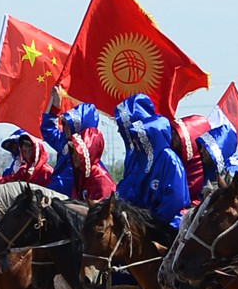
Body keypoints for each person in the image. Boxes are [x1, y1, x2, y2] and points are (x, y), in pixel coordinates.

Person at [113, 94, 191, 226]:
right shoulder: (141, 158)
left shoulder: (169, 159)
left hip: (168, 225)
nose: (119, 131)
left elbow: (174, 200)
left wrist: (151, 222)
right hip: (142, 223)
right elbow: (132, 193)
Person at [42, 87, 105, 195]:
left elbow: (66, 183)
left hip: (66, 197)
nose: (64, 127)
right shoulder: (65, 141)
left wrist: (45, 191)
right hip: (56, 191)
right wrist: (56, 105)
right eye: (65, 123)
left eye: (68, 124)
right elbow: (48, 130)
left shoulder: (86, 157)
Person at [67, 129, 117, 203]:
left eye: (77, 153)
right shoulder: (83, 175)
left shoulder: (101, 180)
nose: (73, 156)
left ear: (88, 154)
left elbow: (101, 209)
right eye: (73, 151)